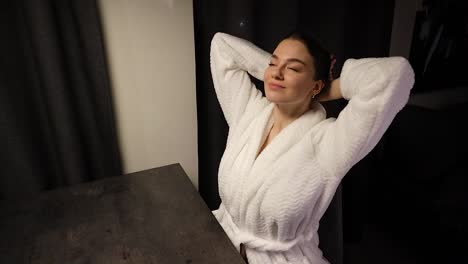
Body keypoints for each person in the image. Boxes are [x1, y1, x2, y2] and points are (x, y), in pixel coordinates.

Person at [209, 31, 414, 264]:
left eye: (294, 69)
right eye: (272, 63)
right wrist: (275, 76)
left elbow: (394, 75)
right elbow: (222, 46)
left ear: (316, 85)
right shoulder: (247, 112)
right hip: (221, 243)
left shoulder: (328, 143)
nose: (277, 72)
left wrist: (328, 89)